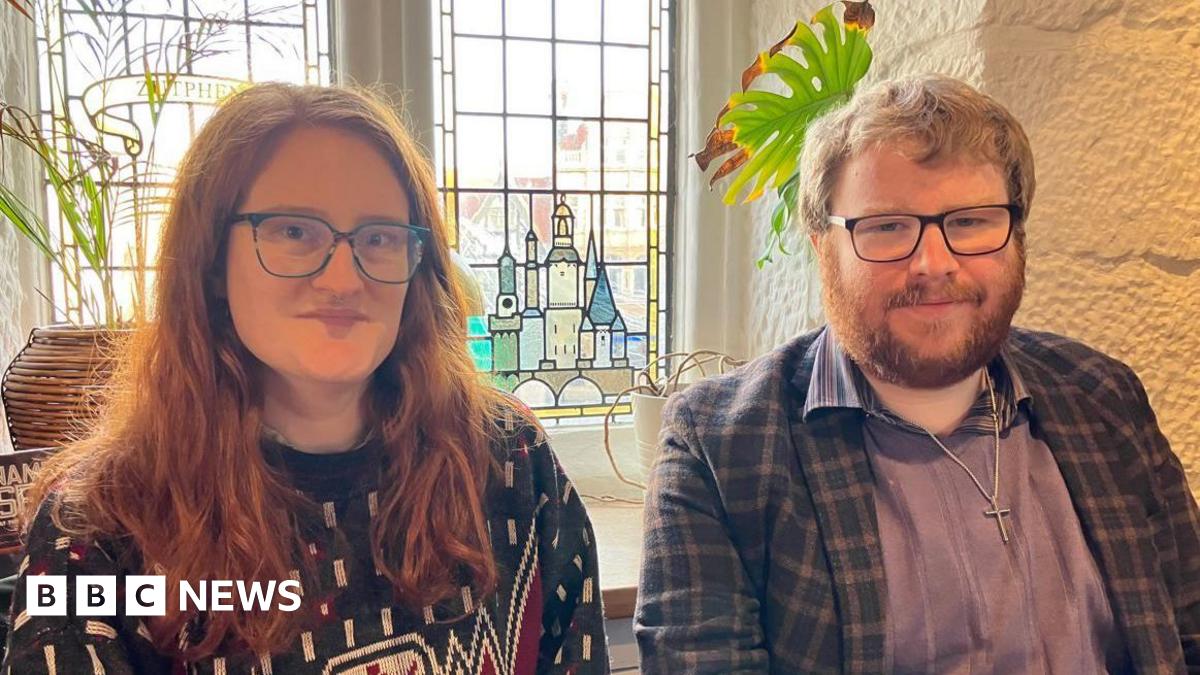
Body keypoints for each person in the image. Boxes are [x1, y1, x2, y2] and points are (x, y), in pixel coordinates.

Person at [3, 83, 608, 674]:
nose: (343, 278)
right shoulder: (95, 539)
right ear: (211, 261)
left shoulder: (512, 465)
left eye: (379, 237)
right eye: (294, 231)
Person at [635, 74, 1200, 673]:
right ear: (821, 246)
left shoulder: (1104, 397)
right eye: (886, 227)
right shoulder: (722, 449)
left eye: (972, 222)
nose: (935, 263)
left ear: (1018, 236)